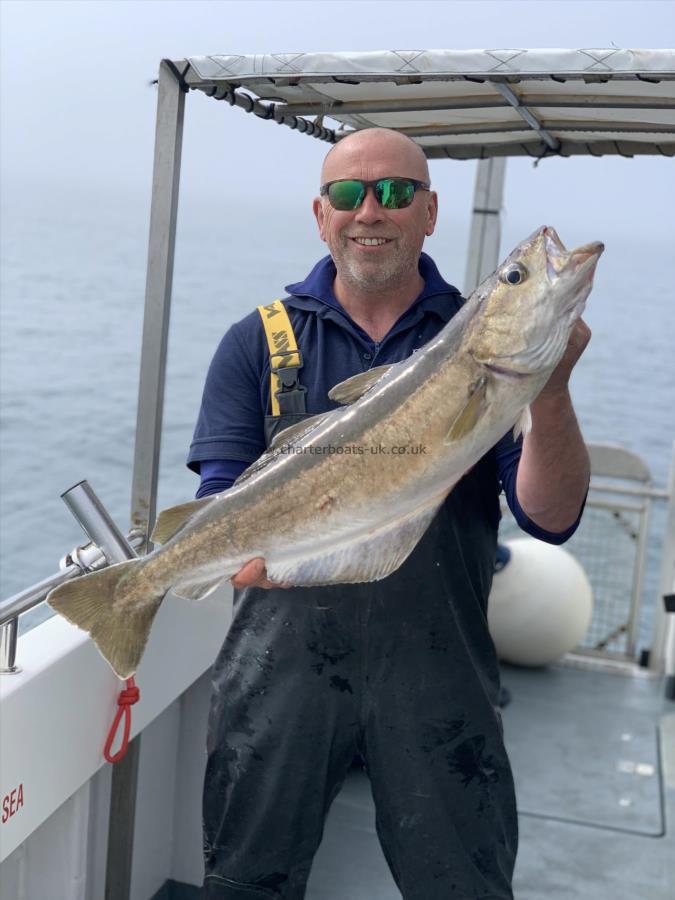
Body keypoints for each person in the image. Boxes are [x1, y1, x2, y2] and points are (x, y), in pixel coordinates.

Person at [187, 128, 590, 900]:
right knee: (244, 885)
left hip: (440, 668)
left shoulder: (477, 347)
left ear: (430, 210)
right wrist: (208, 558)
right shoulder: (259, 343)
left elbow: (550, 518)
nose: (369, 210)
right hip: (279, 669)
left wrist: (551, 387)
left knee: (460, 886)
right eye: (348, 194)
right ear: (320, 214)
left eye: (396, 193)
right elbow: (222, 497)